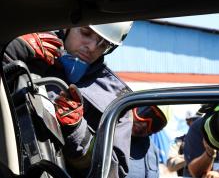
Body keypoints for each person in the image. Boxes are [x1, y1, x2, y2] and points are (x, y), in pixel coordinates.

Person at [3, 22, 134, 178]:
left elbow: (113, 173)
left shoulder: (116, 99)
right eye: (86, 33)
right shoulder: (29, 49)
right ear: (67, 27)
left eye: (104, 44)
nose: (92, 47)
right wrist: (10, 51)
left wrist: (77, 130)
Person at [183, 104, 219, 178]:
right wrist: (209, 153)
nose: (193, 121)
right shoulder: (197, 128)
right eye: (192, 120)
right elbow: (196, 172)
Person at [126, 106, 167, 178]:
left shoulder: (153, 150)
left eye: (155, 123)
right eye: (144, 114)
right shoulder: (109, 138)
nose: (144, 124)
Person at [167, 107, 202, 176]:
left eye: (200, 120)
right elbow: (170, 166)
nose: (198, 123)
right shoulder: (179, 141)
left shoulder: (212, 140)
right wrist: (190, 157)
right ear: (188, 122)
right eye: (195, 120)